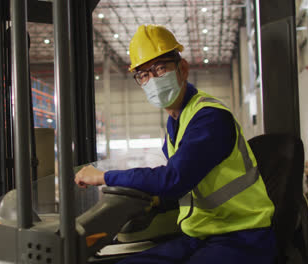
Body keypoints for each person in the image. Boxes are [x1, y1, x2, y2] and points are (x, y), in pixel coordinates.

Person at [75, 24, 276, 264]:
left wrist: (105, 177)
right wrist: (155, 201)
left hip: (243, 238)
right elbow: (186, 185)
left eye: (160, 68)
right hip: (201, 235)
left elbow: (173, 179)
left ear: (183, 69)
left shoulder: (209, 117)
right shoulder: (176, 122)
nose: (152, 80)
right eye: (144, 75)